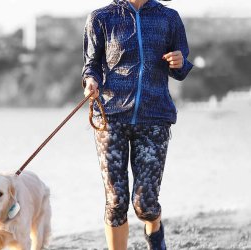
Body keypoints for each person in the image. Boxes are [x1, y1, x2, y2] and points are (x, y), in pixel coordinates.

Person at [81, 0, 193, 249]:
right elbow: (91, 65)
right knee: (116, 201)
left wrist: (179, 62)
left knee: (146, 204)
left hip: (154, 117)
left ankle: (155, 235)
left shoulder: (169, 17)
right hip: (110, 118)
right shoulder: (101, 18)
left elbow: (181, 68)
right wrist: (90, 81)